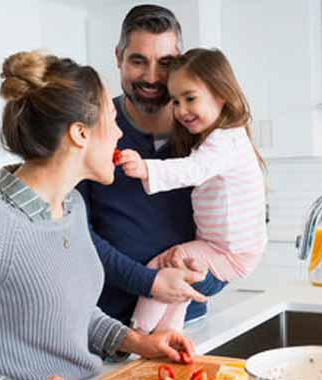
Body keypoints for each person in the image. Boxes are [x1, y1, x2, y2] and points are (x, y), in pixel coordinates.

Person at [0, 51, 196, 380]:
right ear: (79, 133)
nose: (117, 133)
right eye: (111, 121)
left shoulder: (71, 207)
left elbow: (74, 312)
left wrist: (139, 342)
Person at [77, 4, 226, 328]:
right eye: (138, 61)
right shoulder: (92, 129)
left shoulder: (209, 136)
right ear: (118, 57)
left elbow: (236, 236)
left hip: (187, 324)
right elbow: (76, 234)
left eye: (166, 63)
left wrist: (202, 282)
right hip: (107, 328)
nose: (152, 76)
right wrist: (149, 282)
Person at [118, 48, 268, 333]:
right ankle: (168, 336)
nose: (181, 110)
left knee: (160, 265)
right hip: (228, 249)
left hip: (229, 252)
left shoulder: (225, 141)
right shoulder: (220, 140)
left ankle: (136, 333)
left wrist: (146, 168)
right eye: (175, 101)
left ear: (221, 94)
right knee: (180, 280)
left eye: (190, 98)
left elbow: (194, 169)